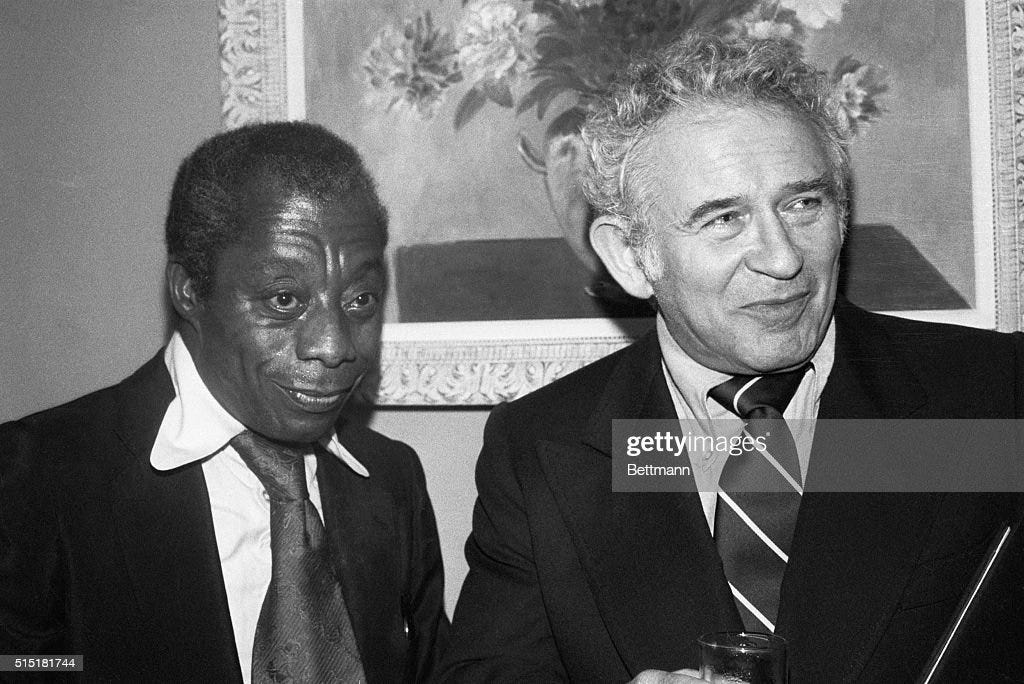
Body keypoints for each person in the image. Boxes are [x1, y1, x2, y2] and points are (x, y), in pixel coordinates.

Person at [439, 34, 1024, 683]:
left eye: (804, 204)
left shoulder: (995, 397)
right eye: (723, 219)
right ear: (630, 257)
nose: (783, 258)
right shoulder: (541, 450)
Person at [0, 122, 449, 682]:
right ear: (190, 290)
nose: (334, 346)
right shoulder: (37, 476)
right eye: (284, 300)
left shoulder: (390, 480)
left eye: (360, 300)